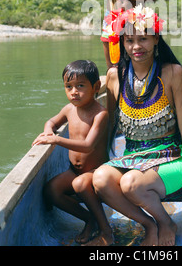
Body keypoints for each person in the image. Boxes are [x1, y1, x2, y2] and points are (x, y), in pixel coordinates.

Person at [92, 5, 182, 246]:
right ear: (123, 43)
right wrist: (100, 161)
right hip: (131, 157)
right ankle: (149, 224)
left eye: (143, 39)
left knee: (130, 183)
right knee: (99, 179)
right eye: (129, 40)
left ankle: (165, 222)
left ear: (156, 39)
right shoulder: (114, 76)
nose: (136, 47)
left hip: (169, 158)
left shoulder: (174, 73)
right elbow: (109, 126)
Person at [32, 60, 113, 246]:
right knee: (51, 190)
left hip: (97, 171)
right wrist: (48, 131)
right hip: (74, 170)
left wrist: (56, 140)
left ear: (96, 87)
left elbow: (88, 146)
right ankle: (89, 219)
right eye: (68, 86)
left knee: (81, 185)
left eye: (80, 86)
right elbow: (51, 122)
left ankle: (105, 229)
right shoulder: (69, 109)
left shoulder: (100, 114)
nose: (73, 91)